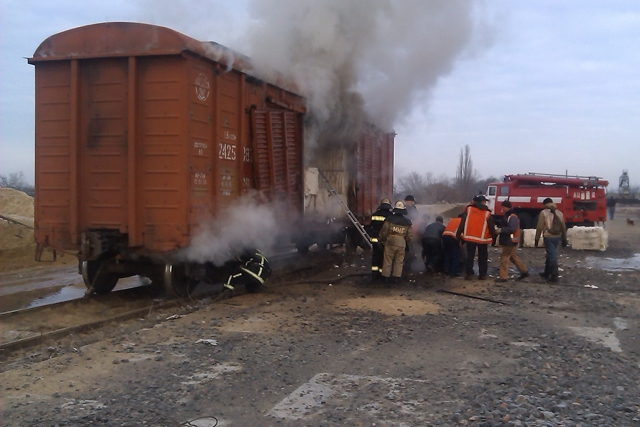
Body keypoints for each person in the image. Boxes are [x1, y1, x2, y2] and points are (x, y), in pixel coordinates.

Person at [457, 195, 497, 280]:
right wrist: (494, 238)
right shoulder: (487, 213)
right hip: (482, 239)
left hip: (470, 238)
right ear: (482, 202)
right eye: (484, 201)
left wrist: (458, 235)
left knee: (470, 256)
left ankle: (469, 274)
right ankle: (482, 274)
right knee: (483, 257)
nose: (485, 203)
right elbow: (491, 227)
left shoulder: (469, 209)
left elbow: (462, 223)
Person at [494, 200, 529, 282]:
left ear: (506, 207)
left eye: (502, 207)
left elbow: (511, 228)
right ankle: (524, 271)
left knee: (504, 258)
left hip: (509, 240)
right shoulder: (512, 216)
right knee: (513, 257)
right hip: (512, 240)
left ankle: (503, 276)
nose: (502, 209)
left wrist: (500, 230)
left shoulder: (512, 216)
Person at [535, 198, 568, 283]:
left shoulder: (543, 213)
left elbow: (539, 228)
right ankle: (547, 272)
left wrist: (536, 239)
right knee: (550, 254)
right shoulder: (559, 213)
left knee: (552, 255)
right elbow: (563, 227)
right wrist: (564, 239)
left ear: (544, 204)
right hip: (557, 237)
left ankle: (554, 276)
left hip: (548, 237)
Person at [379, 201, 413, 283]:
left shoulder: (389, 219)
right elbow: (410, 236)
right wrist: (408, 244)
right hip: (401, 243)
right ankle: (396, 277)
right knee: (399, 261)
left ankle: (386, 277)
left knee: (388, 260)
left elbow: (384, 231)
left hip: (390, 241)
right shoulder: (407, 222)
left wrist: (381, 240)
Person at [367, 198, 393, 278]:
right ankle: (382, 273)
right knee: (383, 256)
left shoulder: (375, 214)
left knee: (375, 255)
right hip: (384, 239)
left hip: (374, 239)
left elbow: (371, 226)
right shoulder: (390, 216)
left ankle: (374, 273)